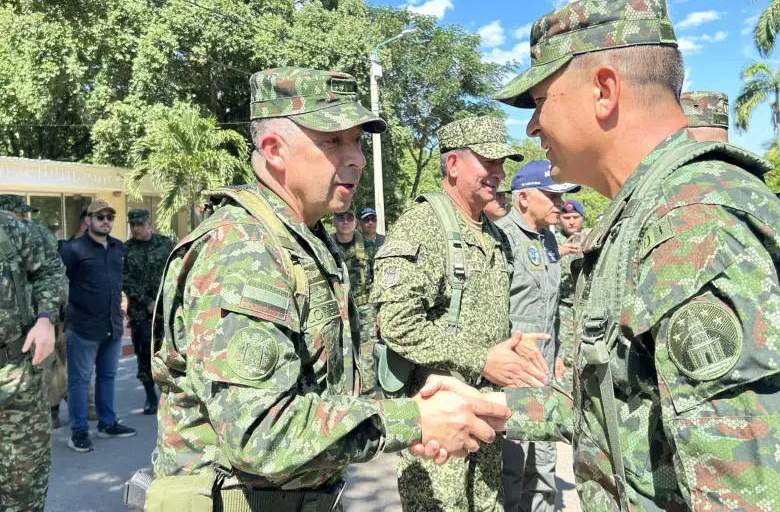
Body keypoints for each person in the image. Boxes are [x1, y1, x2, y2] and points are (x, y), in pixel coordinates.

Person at [146, 67, 513, 511]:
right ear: (273, 149)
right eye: (333, 141)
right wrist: (413, 421)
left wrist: (424, 405)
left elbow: (321, 391)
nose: (356, 157)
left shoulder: (303, 239)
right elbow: (262, 433)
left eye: (357, 141)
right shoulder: (243, 250)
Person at [480, 0, 780, 510]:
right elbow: (626, 411)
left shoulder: (692, 223)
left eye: (540, 100)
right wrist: (497, 408)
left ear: (604, 90)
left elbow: (743, 490)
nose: (532, 124)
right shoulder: (647, 215)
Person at [371, 115, 548, 512]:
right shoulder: (423, 226)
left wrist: (511, 350)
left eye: (503, 164)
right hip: (438, 425)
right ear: (453, 165)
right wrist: (482, 358)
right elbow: (396, 324)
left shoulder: (495, 234)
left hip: (483, 421)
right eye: (488, 163)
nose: (499, 173)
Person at [497, 160, 579, 512]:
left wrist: (558, 351)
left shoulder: (548, 238)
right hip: (513, 366)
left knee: (545, 446)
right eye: (552, 196)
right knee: (513, 454)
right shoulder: (500, 236)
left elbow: (553, 300)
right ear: (524, 198)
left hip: (544, 364)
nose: (560, 204)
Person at [0, 207, 66, 512]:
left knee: (23, 484)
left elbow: (50, 268)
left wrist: (46, 319)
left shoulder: (9, 228)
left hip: (16, 378)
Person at [60, 199, 136, 453]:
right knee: (79, 382)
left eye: (110, 217)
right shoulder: (73, 249)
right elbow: (57, 283)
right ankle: (79, 432)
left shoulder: (117, 247)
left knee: (107, 376)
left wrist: (121, 308)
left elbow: (117, 282)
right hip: (81, 327)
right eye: (100, 217)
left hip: (112, 325)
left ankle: (107, 423)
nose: (106, 221)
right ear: (88, 220)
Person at [0, 195, 70, 429]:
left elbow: (50, 269)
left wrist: (46, 319)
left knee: (56, 369)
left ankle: (55, 410)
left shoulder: (14, 230)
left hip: (16, 364)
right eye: (21, 213)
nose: (24, 217)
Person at [122, 209, 174, 414]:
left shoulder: (165, 244)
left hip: (165, 310)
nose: (135, 228)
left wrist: (161, 302)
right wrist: (146, 302)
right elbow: (125, 278)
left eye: (139, 224)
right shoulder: (126, 249)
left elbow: (173, 272)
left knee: (169, 353)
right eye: (132, 225)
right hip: (140, 314)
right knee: (144, 354)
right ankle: (150, 396)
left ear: (149, 224)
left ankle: (171, 395)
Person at [331, 207, 379, 396]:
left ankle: (367, 397)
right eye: (340, 217)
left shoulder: (368, 247)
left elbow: (379, 280)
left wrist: (380, 310)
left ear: (355, 222)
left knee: (366, 355)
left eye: (349, 217)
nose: (345, 221)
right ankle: (342, 397)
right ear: (334, 221)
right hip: (337, 309)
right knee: (338, 353)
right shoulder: (325, 247)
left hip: (364, 309)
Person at [555, 198, 586, 390]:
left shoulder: (591, 238)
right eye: (566, 217)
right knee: (564, 354)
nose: (571, 222)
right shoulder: (551, 240)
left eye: (576, 217)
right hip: (562, 307)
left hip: (583, 307)